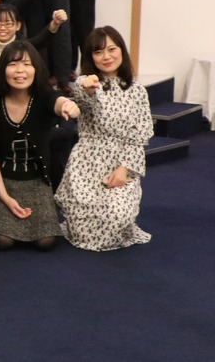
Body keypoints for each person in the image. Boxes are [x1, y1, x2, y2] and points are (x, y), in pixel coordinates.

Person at [56, 27, 153, 251]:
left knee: (116, 217)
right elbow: (83, 99)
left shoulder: (137, 90)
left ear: (122, 51)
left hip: (121, 160)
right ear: (91, 57)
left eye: (111, 49)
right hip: (87, 163)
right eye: (98, 52)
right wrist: (89, 88)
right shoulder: (86, 83)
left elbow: (140, 136)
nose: (106, 57)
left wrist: (125, 169)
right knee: (84, 231)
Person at [0, 41, 79, 251]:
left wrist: (68, 105)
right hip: (1, 182)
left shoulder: (42, 95)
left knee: (46, 242)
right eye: (13, 64)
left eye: (26, 64)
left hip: (36, 181)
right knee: (2, 241)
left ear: (36, 68)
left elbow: (57, 101)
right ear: (3, 70)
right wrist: (5, 197)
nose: (20, 71)